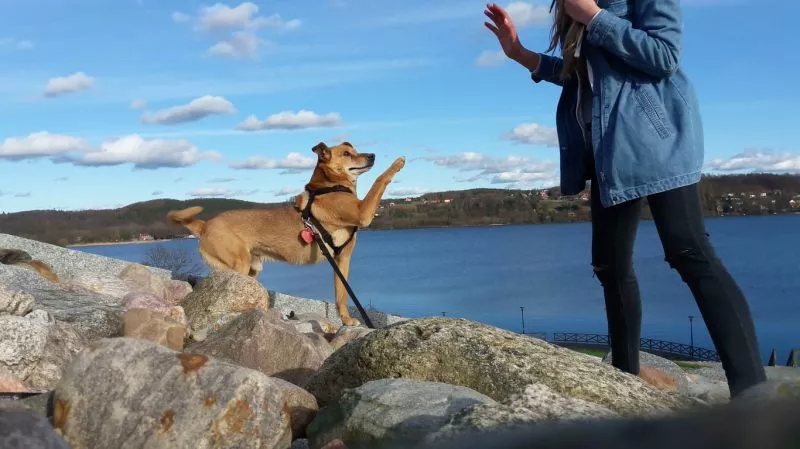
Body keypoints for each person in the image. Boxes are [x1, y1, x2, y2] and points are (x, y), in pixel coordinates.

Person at [483, 0, 766, 397]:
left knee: (691, 254)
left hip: (658, 143)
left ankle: (753, 394)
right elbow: (578, 75)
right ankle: (625, 380)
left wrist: (594, 16)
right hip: (607, 151)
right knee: (609, 267)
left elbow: (664, 56)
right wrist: (519, 54)